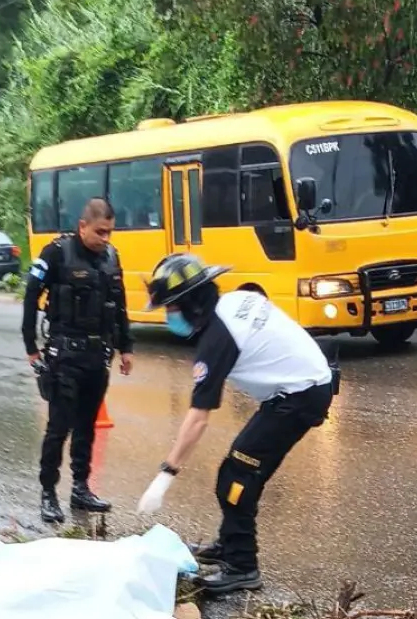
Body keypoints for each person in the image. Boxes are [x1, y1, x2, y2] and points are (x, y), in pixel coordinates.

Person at [136, 254, 335, 595]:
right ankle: (230, 545)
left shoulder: (217, 339)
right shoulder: (233, 302)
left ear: (190, 305)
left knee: (238, 476)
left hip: (299, 395)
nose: (169, 317)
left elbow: (198, 417)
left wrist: (166, 474)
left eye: (170, 308)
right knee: (237, 469)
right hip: (306, 384)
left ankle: (243, 567)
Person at [22, 197, 134, 524]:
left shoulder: (111, 258)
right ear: (82, 226)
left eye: (110, 232)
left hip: (97, 356)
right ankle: (48, 493)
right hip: (64, 355)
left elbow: (120, 304)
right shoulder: (56, 253)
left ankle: (81, 488)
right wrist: (31, 345)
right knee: (59, 427)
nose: (106, 238)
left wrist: (126, 347)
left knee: (87, 426)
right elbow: (31, 295)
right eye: (100, 231)